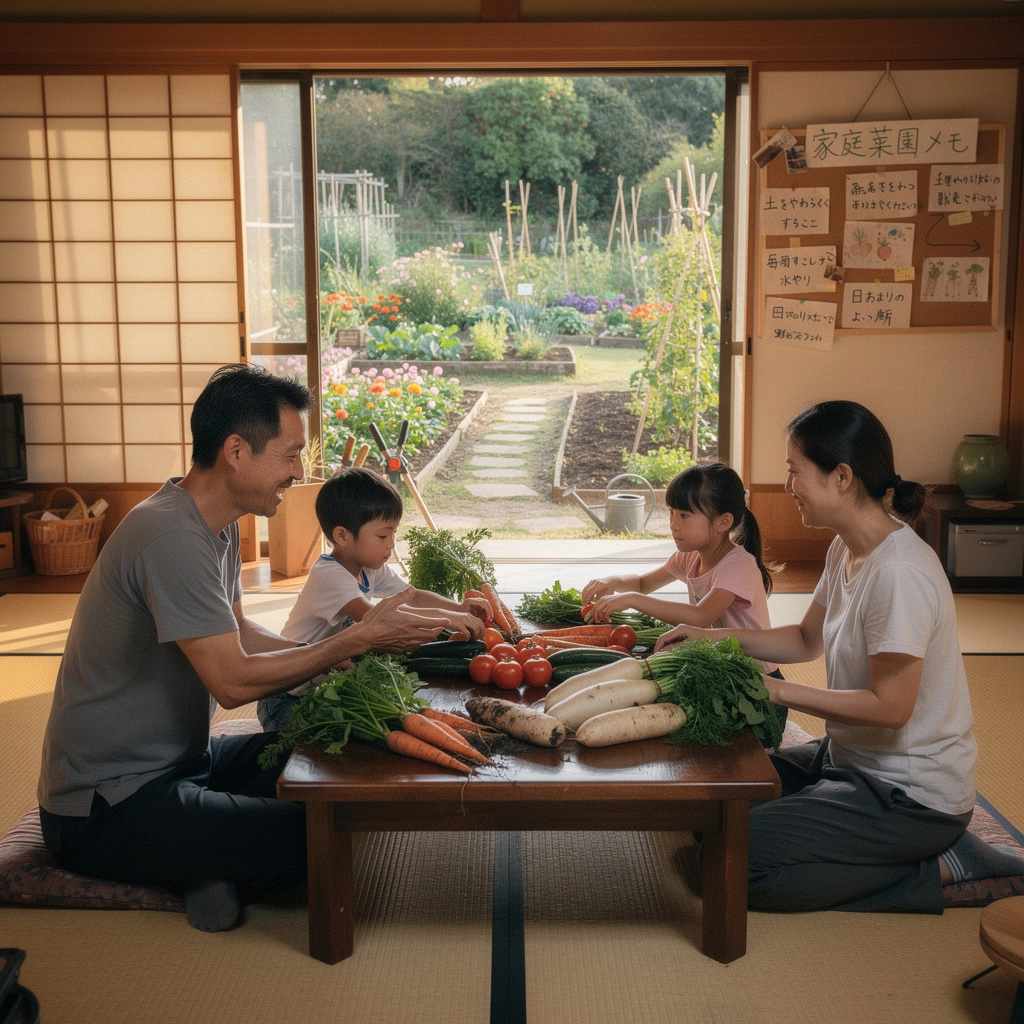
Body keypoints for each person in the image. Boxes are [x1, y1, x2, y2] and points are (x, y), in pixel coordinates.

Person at [37, 364, 448, 933]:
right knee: (315, 837)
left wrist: (337, 665)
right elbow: (230, 683)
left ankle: (205, 856)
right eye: (289, 454)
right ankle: (198, 858)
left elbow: (237, 631)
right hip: (107, 803)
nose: (299, 471)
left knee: (345, 774)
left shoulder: (219, 523)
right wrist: (348, 641)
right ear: (236, 451)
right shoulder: (170, 537)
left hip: (186, 763)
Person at [655, 401, 1024, 912]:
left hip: (909, 795)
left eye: (794, 471)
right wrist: (712, 639)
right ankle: (896, 845)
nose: (787, 485)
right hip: (851, 759)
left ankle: (945, 866)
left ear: (842, 477)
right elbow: (807, 639)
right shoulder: (844, 548)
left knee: (729, 866)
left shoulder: (900, 574)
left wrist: (779, 689)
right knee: (713, 816)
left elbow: (891, 708)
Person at [257, 466, 491, 731]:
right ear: (342, 536)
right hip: (286, 698)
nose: (391, 543)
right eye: (383, 535)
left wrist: (457, 606)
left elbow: (412, 596)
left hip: (326, 687)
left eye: (393, 533)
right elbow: (376, 620)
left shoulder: (369, 566)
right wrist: (449, 618)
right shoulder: (329, 575)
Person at [581, 461, 788, 741]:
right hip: (722, 669)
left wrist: (631, 599)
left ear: (722, 522)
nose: (673, 525)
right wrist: (615, 581)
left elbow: (700, 616)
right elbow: (644, 583)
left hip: (759, 686)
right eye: (671, 513)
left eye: (684, 515)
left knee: (742, 761)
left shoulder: (738, 565)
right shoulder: (691, 556)